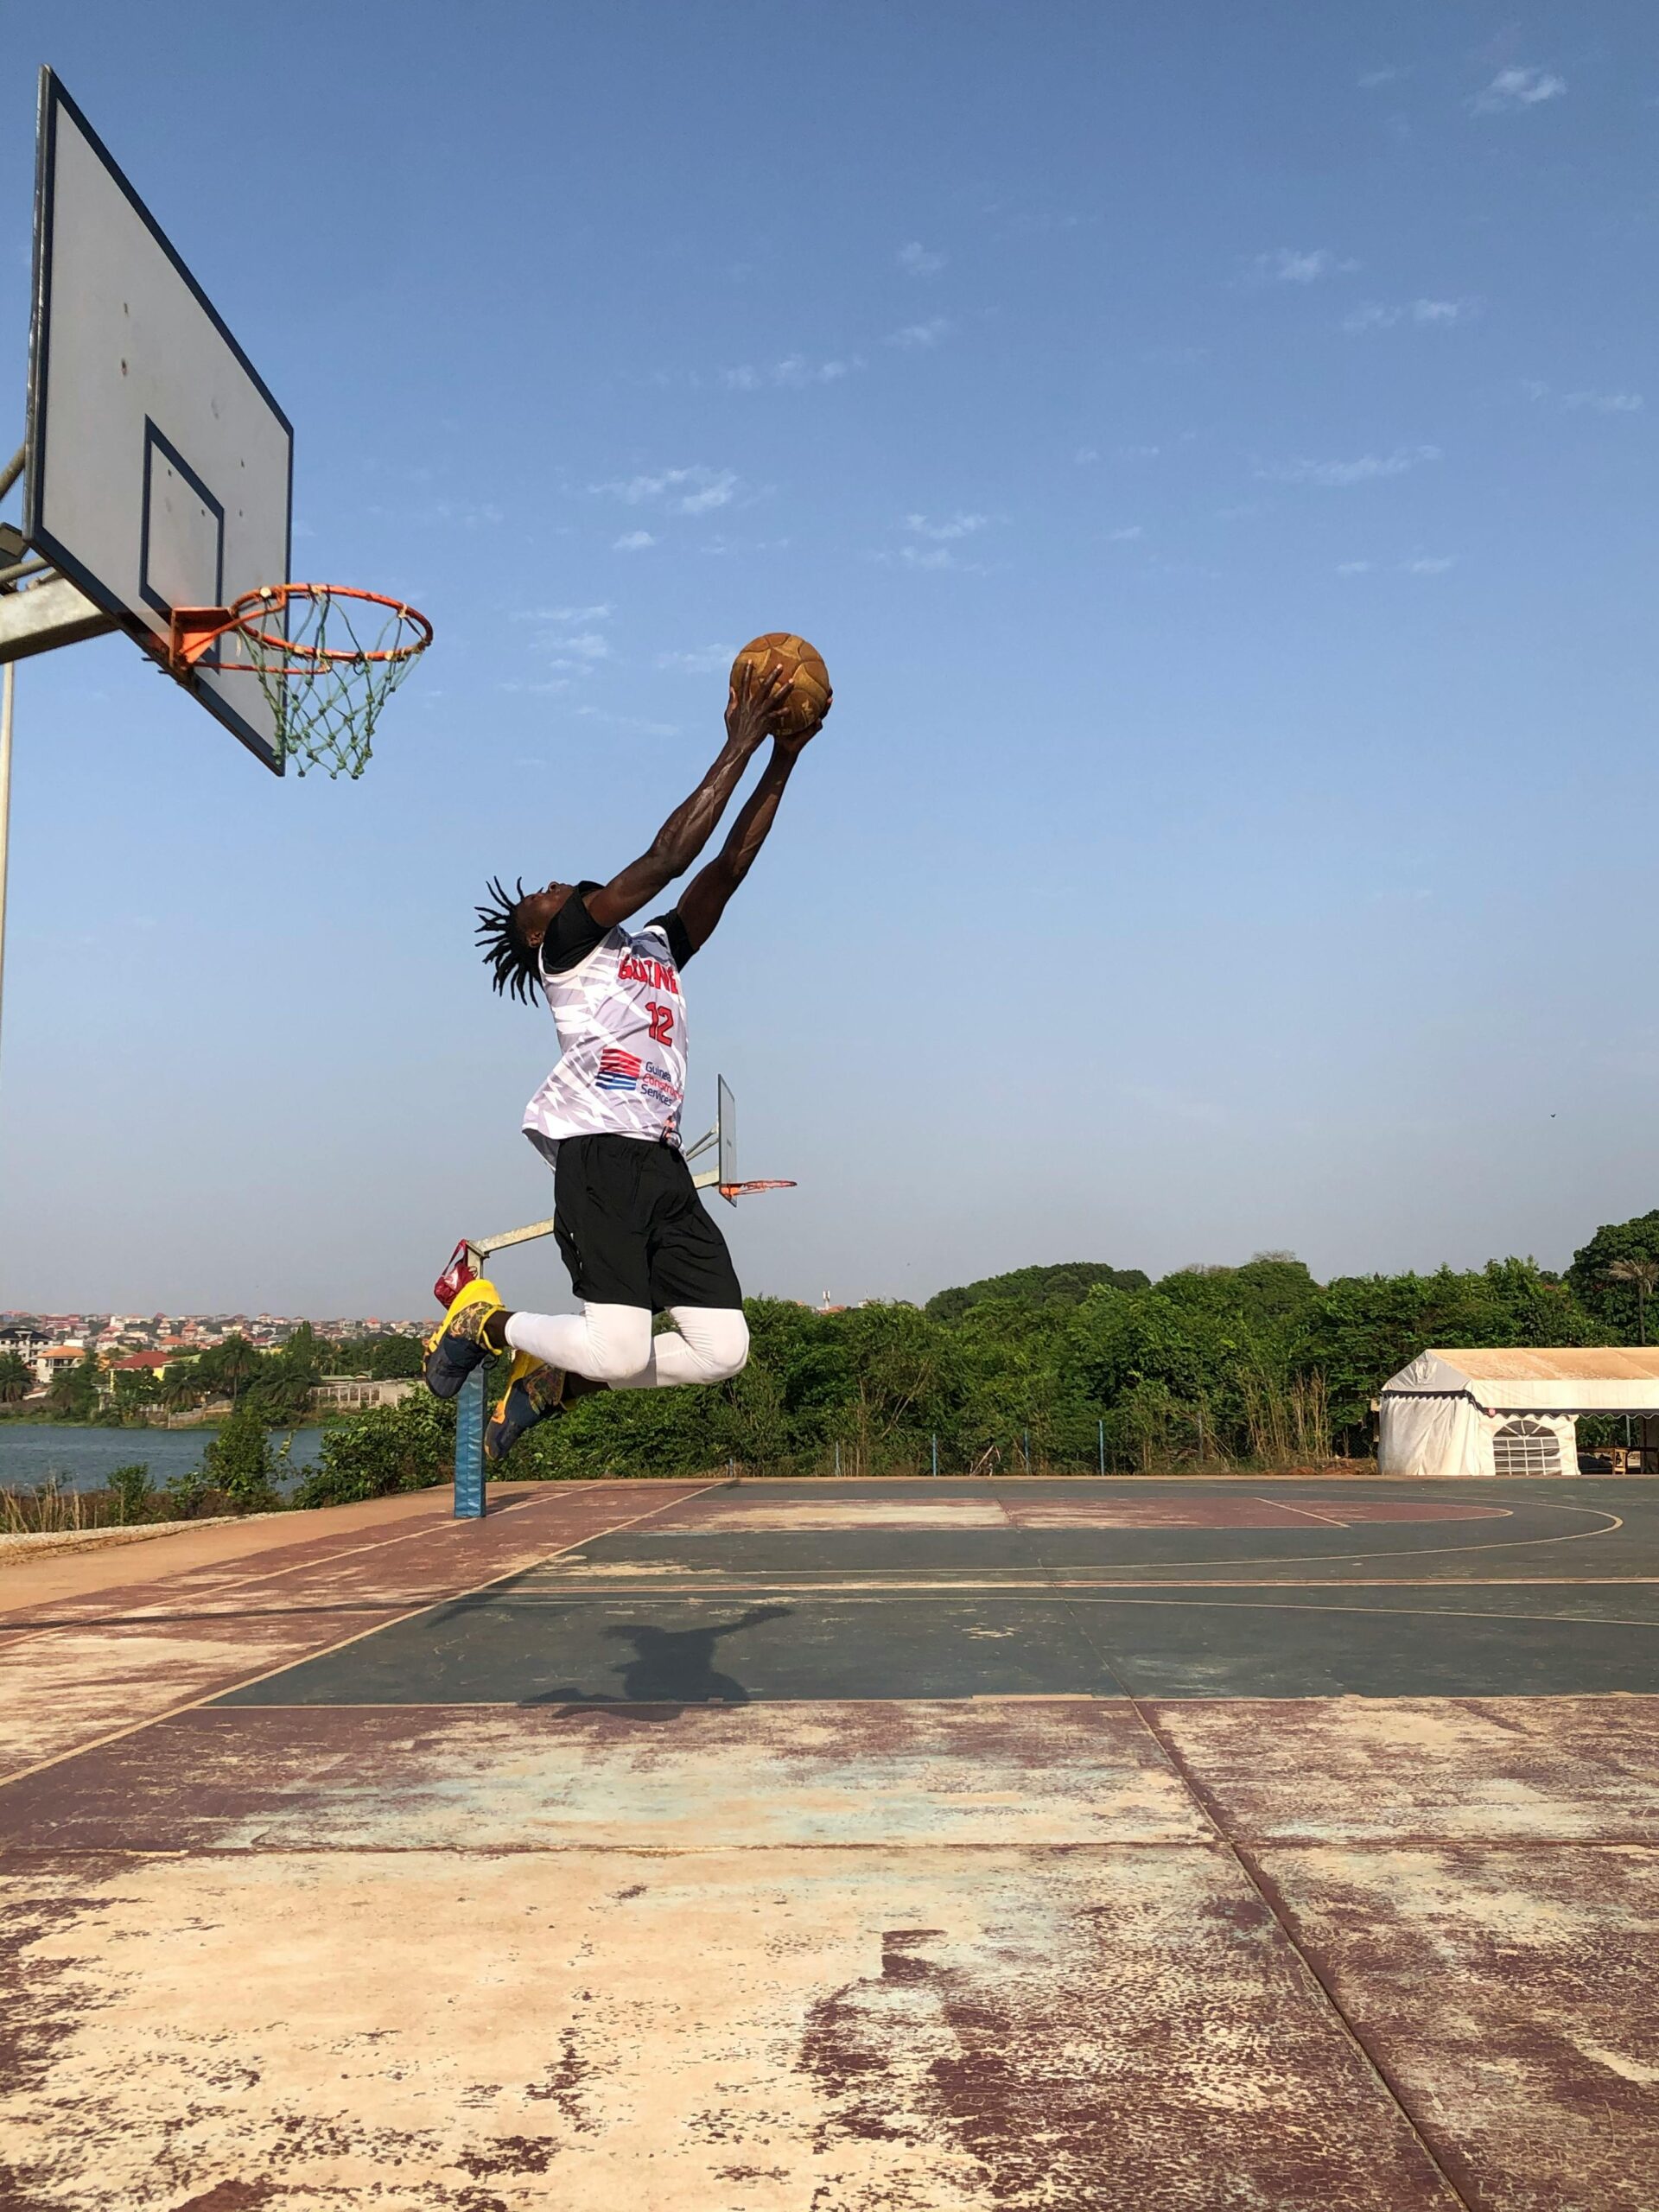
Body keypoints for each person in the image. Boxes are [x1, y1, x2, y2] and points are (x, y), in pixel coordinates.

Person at [424, 658, 826, 1463]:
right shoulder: (569, 949)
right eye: (536, 895)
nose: (547, 885)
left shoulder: (654, 949)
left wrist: (786, 757)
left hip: (661, 1162)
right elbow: (668, 856)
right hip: (598, 1156)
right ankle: (484, 1323)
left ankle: (558, 1380)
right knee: (619, 1346)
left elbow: (725, 869)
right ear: (540, 932)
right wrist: (741, 741)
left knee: (724, 1351)